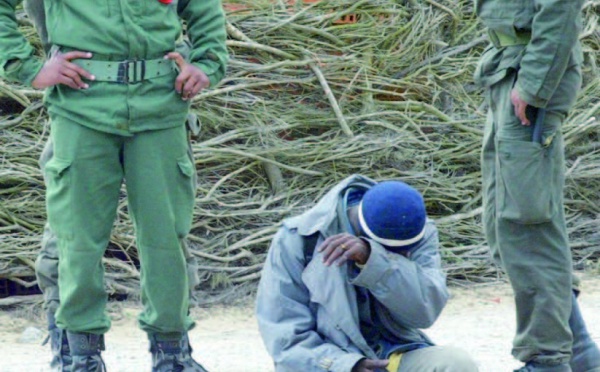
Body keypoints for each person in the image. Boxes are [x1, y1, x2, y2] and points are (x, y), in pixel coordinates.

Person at [0, 0, 227, 370]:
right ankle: (79, 355)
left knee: (166, 237)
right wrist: (28, 67)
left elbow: (203, 9)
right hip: (81, 107)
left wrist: (206, 63)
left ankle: (173, 354)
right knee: (76, 238)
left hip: (161, 106)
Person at [474, 0, 600, 371]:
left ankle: (546, 359)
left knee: (527, 227)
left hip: (529, 71)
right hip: (509, 67)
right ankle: (577, 349)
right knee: (506, 223)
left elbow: (560, 5)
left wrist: (533, 83)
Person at [256, 174, 479, 372]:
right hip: (328, 363)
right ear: (362, 230)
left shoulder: (416, 230)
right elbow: (284, 339)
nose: (407, 254)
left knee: (456, 363)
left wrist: (376, 263)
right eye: (397, 252)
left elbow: (424, 312)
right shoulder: (298, 239)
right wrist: (346, 365)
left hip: (394, 354)